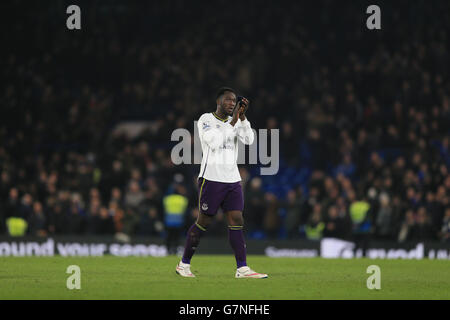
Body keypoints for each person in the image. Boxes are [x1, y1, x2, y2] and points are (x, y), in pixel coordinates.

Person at [176, 87, 268, 279]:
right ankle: (184, 264)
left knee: (237, 220)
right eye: (228, 100)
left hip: (232, 179)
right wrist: (235, 120)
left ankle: (242, 268)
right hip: (211, 178)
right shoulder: (206, 120)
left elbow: (249, 139)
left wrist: (242, 118)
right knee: (203, 222)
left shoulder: (233, 121)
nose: (232, 104)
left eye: (234, 101)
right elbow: (214, 142)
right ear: (219, 102)